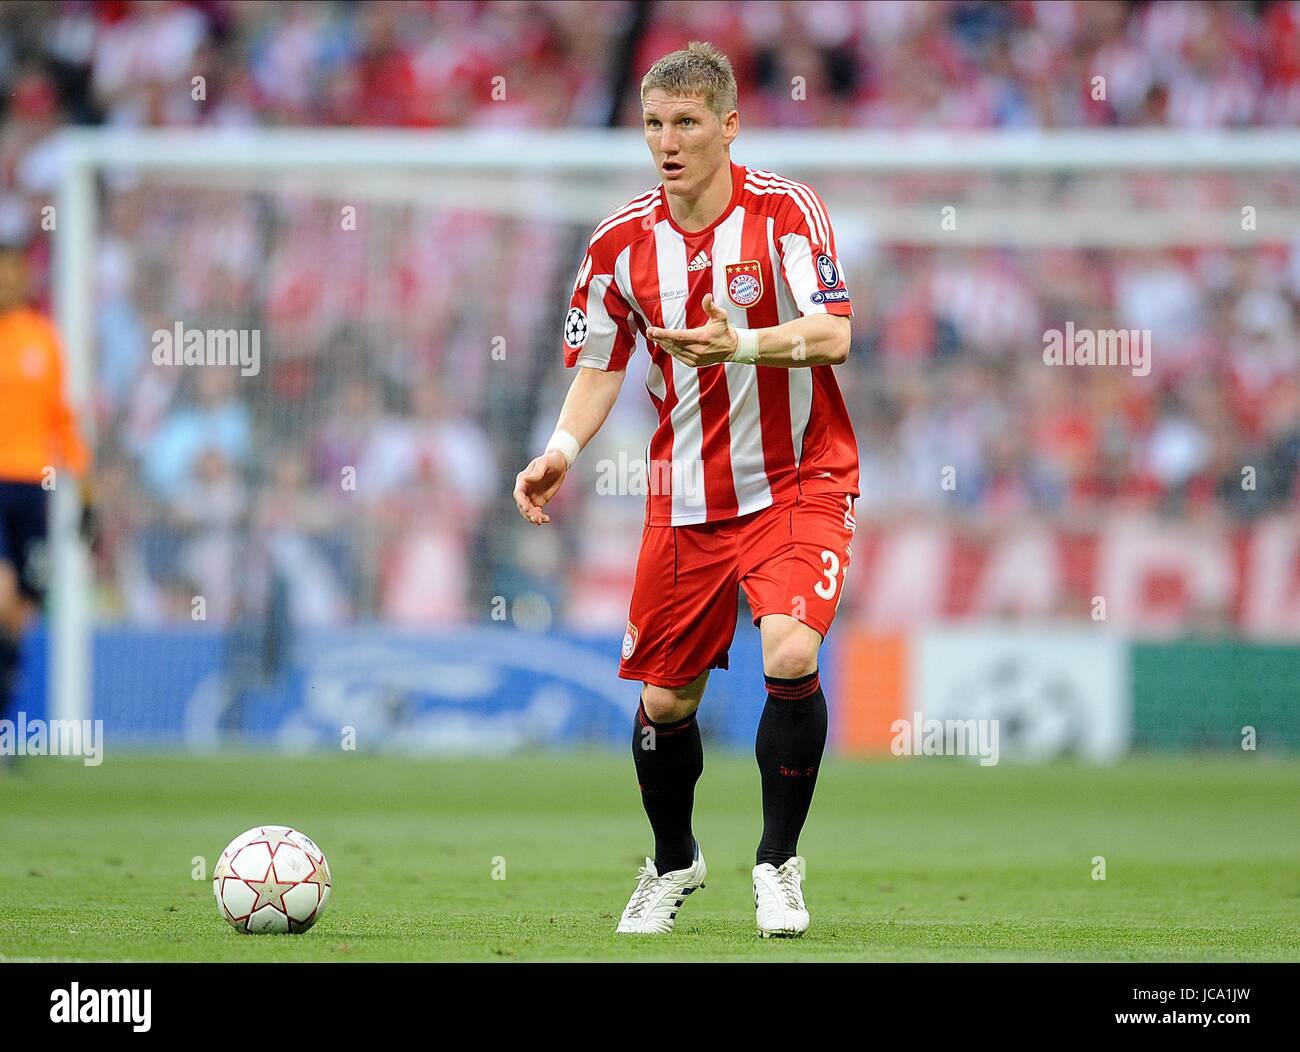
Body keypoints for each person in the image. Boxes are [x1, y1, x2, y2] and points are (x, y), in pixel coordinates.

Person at [512, 42, 858, 937]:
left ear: (729, 126)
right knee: (666, 703)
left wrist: (738, 345)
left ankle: (778, 865)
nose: (668, 142)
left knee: (789, 652)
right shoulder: (619, 243)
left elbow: (831, 336)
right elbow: (598, 367)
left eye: (688, 123)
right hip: (686, 496)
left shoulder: (786, 212)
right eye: (656, 124)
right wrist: (559, 450)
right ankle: (674, 862)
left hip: (796, 478)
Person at [0, 241, 91, 759]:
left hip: (35, 490)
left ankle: (6, 724)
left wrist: (89, 495)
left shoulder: (43, 340)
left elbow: (64, 422)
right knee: (3, 591)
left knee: (20, 616)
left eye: (16, 273)